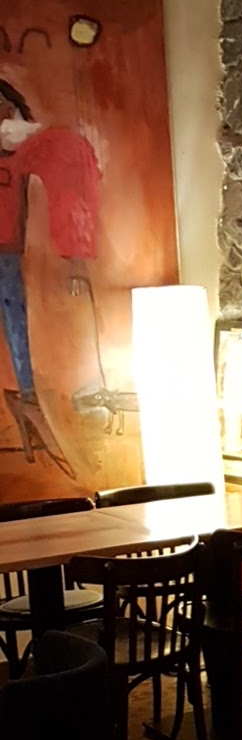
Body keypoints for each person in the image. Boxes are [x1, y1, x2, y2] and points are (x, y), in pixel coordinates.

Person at [0, 77, 103, 477]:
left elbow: (69, 156)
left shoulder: (18, 151)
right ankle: (26, 399)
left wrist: (77, 254)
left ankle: (27, 398)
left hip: (7, 253)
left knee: (16, 313)